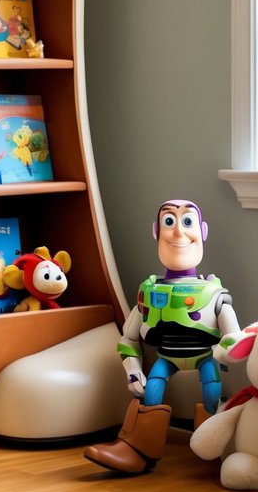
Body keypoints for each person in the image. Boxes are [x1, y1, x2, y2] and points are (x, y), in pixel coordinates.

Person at [84, 198, 240, 475]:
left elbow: (233, 337)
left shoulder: (214, 294)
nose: (178, 232)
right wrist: (133, 371)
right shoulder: (150, 292)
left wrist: (228, 351)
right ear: (156, 231)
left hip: (205, 358)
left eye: (187, 221)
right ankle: (139, 448)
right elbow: (128, 339)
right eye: (169, 221)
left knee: (212, 395)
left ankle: (217, 449)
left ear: (202, 231)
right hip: (166, 357)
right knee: (152, 393)